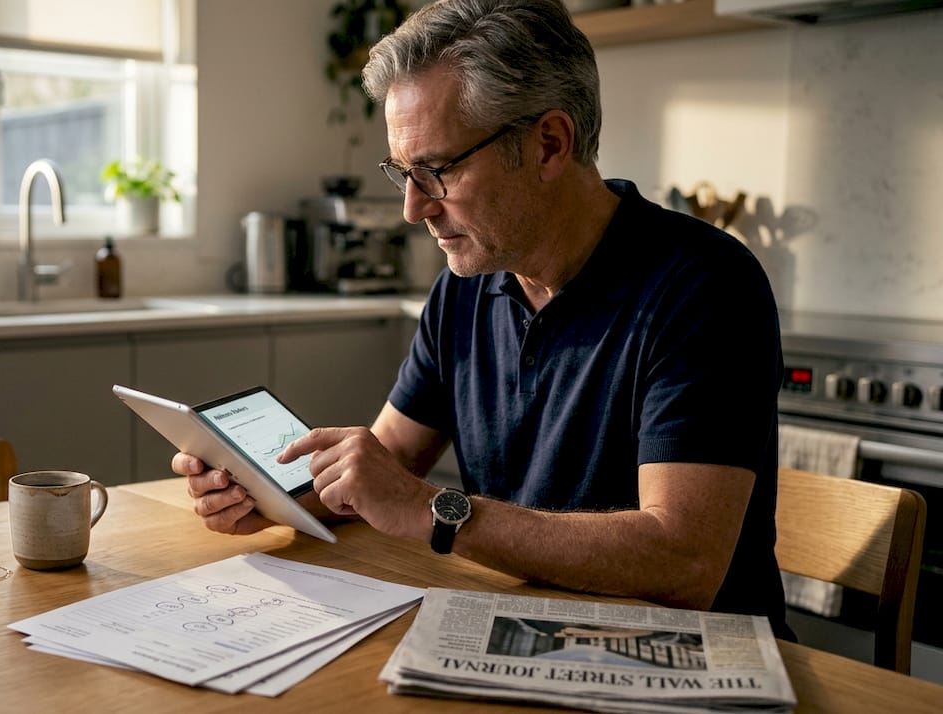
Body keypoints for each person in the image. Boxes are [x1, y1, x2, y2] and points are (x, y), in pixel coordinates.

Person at [175, 0, 791, 637]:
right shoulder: (466, 288)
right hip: (525, 632)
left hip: (688, 661)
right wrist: (268, 496)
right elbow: (386, 469)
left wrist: (437, 512)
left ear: (549, 144)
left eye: (436, 170)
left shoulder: (703, 286)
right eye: (402, 173)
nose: (414, 209)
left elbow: (684, 563)